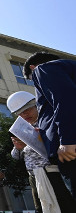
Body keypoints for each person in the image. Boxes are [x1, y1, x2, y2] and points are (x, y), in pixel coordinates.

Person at [23, 52, 76, 200]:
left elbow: (65, 99)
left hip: (70, 149)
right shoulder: (67, 70)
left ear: (33, 68)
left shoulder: (44, 69)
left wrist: (68, 140)